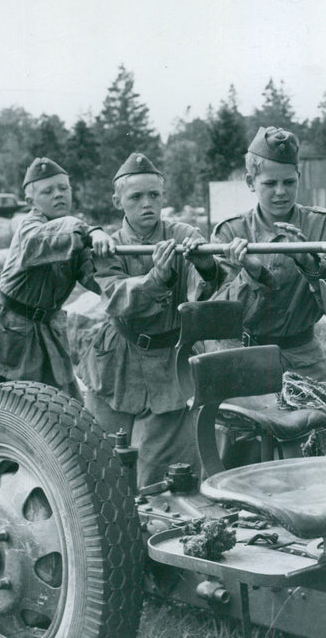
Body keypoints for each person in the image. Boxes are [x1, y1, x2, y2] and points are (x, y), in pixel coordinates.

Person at [78, 153, 220, 488]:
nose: (147, 205)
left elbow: (211, 288)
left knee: (166, 471)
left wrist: (206, 264)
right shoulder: (108, 246)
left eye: (154, 195)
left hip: (172, 361)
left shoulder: (182, 233)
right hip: (118, 359)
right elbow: (116, 299)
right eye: (136, 197)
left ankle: (157, 533)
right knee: (103, 461)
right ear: (118, 202)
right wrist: (157, 278)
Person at [211, 126, 326, 385]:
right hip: (243, 361)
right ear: (250, 182)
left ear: (299, 178)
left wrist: (310, 264)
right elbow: (221, 317)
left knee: (321, 421)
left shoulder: (323, 226)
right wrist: (252, 274)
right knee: (243, 425)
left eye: (289, 182)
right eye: (270, 183)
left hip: (306, 364)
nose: (281, 191)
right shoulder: (231, 232)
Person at [0, 156, 114, 399]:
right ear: (30, 201)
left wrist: (144, 273)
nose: (58, 194)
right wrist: (92, 231)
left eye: (63, 188)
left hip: (49, 335)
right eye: (48, 191)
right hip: (8, 335)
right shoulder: (30, 228)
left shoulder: (73, 236)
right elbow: (47, 237)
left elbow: (100, 280)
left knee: (66, 413)